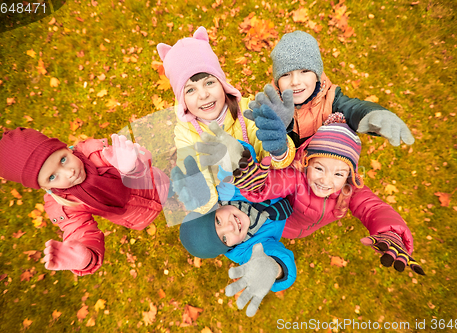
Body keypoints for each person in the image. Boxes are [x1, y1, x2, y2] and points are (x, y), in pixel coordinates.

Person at [228, 116, 425, 275]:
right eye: (319, 168)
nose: (326, 181)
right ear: (307, 163)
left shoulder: (349, 190)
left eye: (338, 174)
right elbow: (275, 182)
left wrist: (391, 232)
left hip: (305, 229)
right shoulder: (297, 177)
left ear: (349, 175)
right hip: (282, 224)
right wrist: (257, 183)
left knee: (301, 232)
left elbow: (373, 207)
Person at [0, 128, 170, 276]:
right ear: (43, 186)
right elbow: (81, 231)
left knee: (174, 190)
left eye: (63, 159)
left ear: (66, 148)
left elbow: (139, 157)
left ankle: (176, 192)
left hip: (154, 182)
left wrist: (132, 165)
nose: (69, 173)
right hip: (138, 216)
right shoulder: (63, 205)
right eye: (52, 176)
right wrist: (85, 257)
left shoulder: (95, 153)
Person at [156, 26, 296, 214]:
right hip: (231, 208)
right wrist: (200, 195)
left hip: (267, 193)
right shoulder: (185, 135)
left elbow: (277, 162)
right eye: (190, 90)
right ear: (182, 100)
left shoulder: (247, 110)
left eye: (209, 82)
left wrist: (279, 149)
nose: (204, 94)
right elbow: (204, 194)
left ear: (222, 84)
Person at [174, 153, 296, 317]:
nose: (230, 227)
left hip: (279, 165)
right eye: (224, 238)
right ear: (229, 247)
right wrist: (274, 269)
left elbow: (238, 153)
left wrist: (235, 160)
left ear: (216, 207)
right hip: (294, 205)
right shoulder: (247, 250)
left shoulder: (228, 192)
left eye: (218, 221)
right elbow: (278, 261)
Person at [249, 30, 415, 148]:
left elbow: (353, 109)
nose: (295, 81)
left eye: (304, 71)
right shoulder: (271, 104)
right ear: (277, 82)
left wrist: (371, 114)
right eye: (286, 75)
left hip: (321, 172)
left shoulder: (330, 100)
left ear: (317, 75)